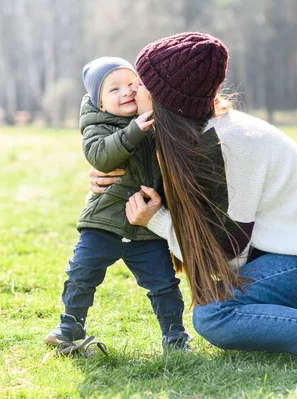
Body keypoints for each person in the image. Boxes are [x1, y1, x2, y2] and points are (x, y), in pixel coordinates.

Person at [92, 33, 297, 378]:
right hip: (295, 250)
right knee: (217, 306)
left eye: (142, 84)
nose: (132, 91)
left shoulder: (226, 146)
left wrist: (156, 220)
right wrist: (110, 174)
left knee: (214, 315)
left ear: (167, 99)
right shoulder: (194, 135)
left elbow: (228, 253)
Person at [45, 56, 190, 353]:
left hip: (146, 227)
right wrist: (135, 130)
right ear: (99, 104)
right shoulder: (98, 125)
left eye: (131, 84)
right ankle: (70, 324)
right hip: (104, 223)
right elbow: (100, 156)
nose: (126, 92)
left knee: (164, 283)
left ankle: (175, 336)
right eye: (114, 90)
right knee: (81, 274)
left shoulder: (151, 119)